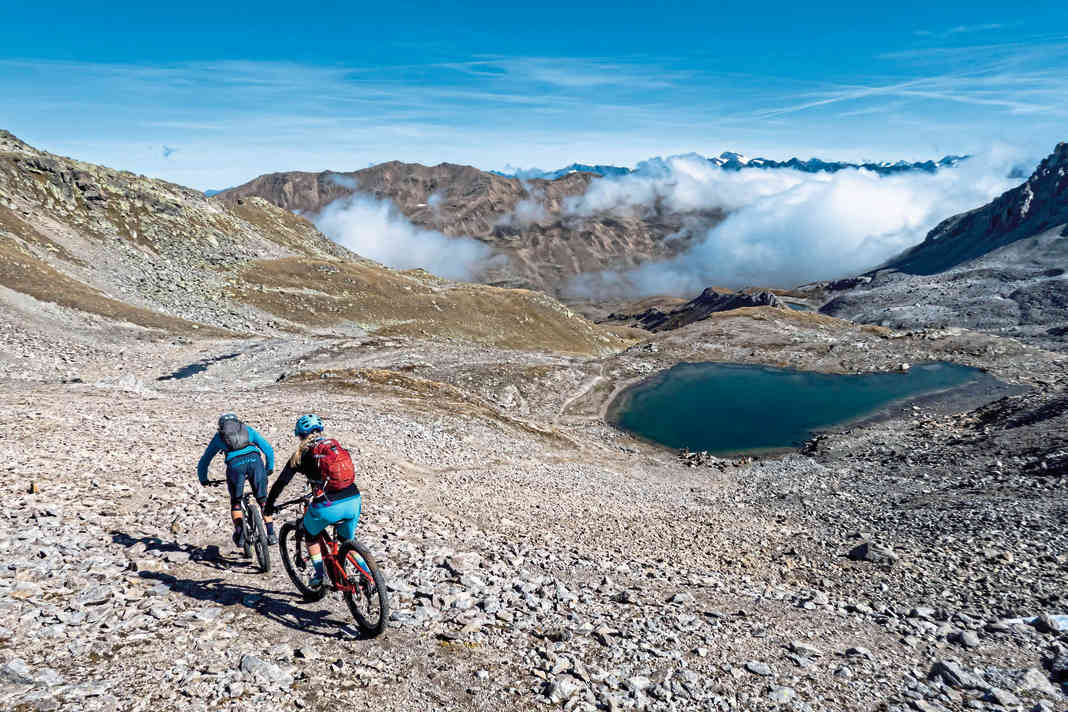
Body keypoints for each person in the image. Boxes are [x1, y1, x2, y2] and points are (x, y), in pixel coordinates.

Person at [264, 414, 361, 590]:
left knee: (310, 535)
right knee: (347, 540)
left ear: (300, 435)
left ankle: (320, 575)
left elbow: (281, 483)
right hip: (354, 499)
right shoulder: (334, 446)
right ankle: (368, 575)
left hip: (328, 506)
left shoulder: (300, 455)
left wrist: (269, 506)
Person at [197, 413, 277, 547]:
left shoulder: (219, 437)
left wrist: (203, 479)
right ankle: (271, 534)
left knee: (235, 501)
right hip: (255, 462)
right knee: (263, 500)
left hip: (235, 466)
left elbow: (205, 460)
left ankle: (240, 535)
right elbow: (268, 449)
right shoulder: (248, 429)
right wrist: (269, 468)